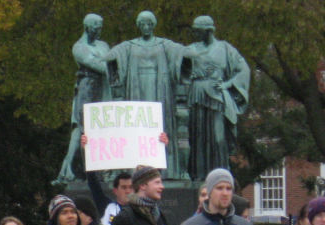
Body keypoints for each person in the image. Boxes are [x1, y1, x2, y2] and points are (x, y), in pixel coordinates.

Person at [106, 11, 186, 179]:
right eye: (143, 24)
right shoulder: (130, 45)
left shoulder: (164, 44)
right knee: (138, 126)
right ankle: (136, 169)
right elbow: (113, 55)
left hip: (159, 90)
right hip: (137, 89)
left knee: (160, 127)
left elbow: (182, 53)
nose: (146, 27)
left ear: (153, 25)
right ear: (139, 26)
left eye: (149, 23)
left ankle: (164, 170)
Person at [183, 16, 250, 181]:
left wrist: (228, 84)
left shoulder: (225, 48)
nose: (196, 34)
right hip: (196, 95)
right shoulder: (190, 49)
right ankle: (198, 177)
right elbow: (179, 72)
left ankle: (221, 178)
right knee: (197, 137)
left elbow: (243, 70)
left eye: (199, 31)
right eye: (195, 31)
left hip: (217, 97)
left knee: (218, 138)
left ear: (208, 31)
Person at [55, 14, 111, 184]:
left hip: (104, 87)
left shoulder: (103, 45)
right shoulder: (79, 47)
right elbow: (100, 66)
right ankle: (74, 167)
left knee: (104, 125)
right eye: (96, 27)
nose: (99, 31)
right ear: (87, 27)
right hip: (87, 88)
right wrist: (107, 64)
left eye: (101, 27)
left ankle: (104, 168)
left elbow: (107, 63)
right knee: (83, 126)